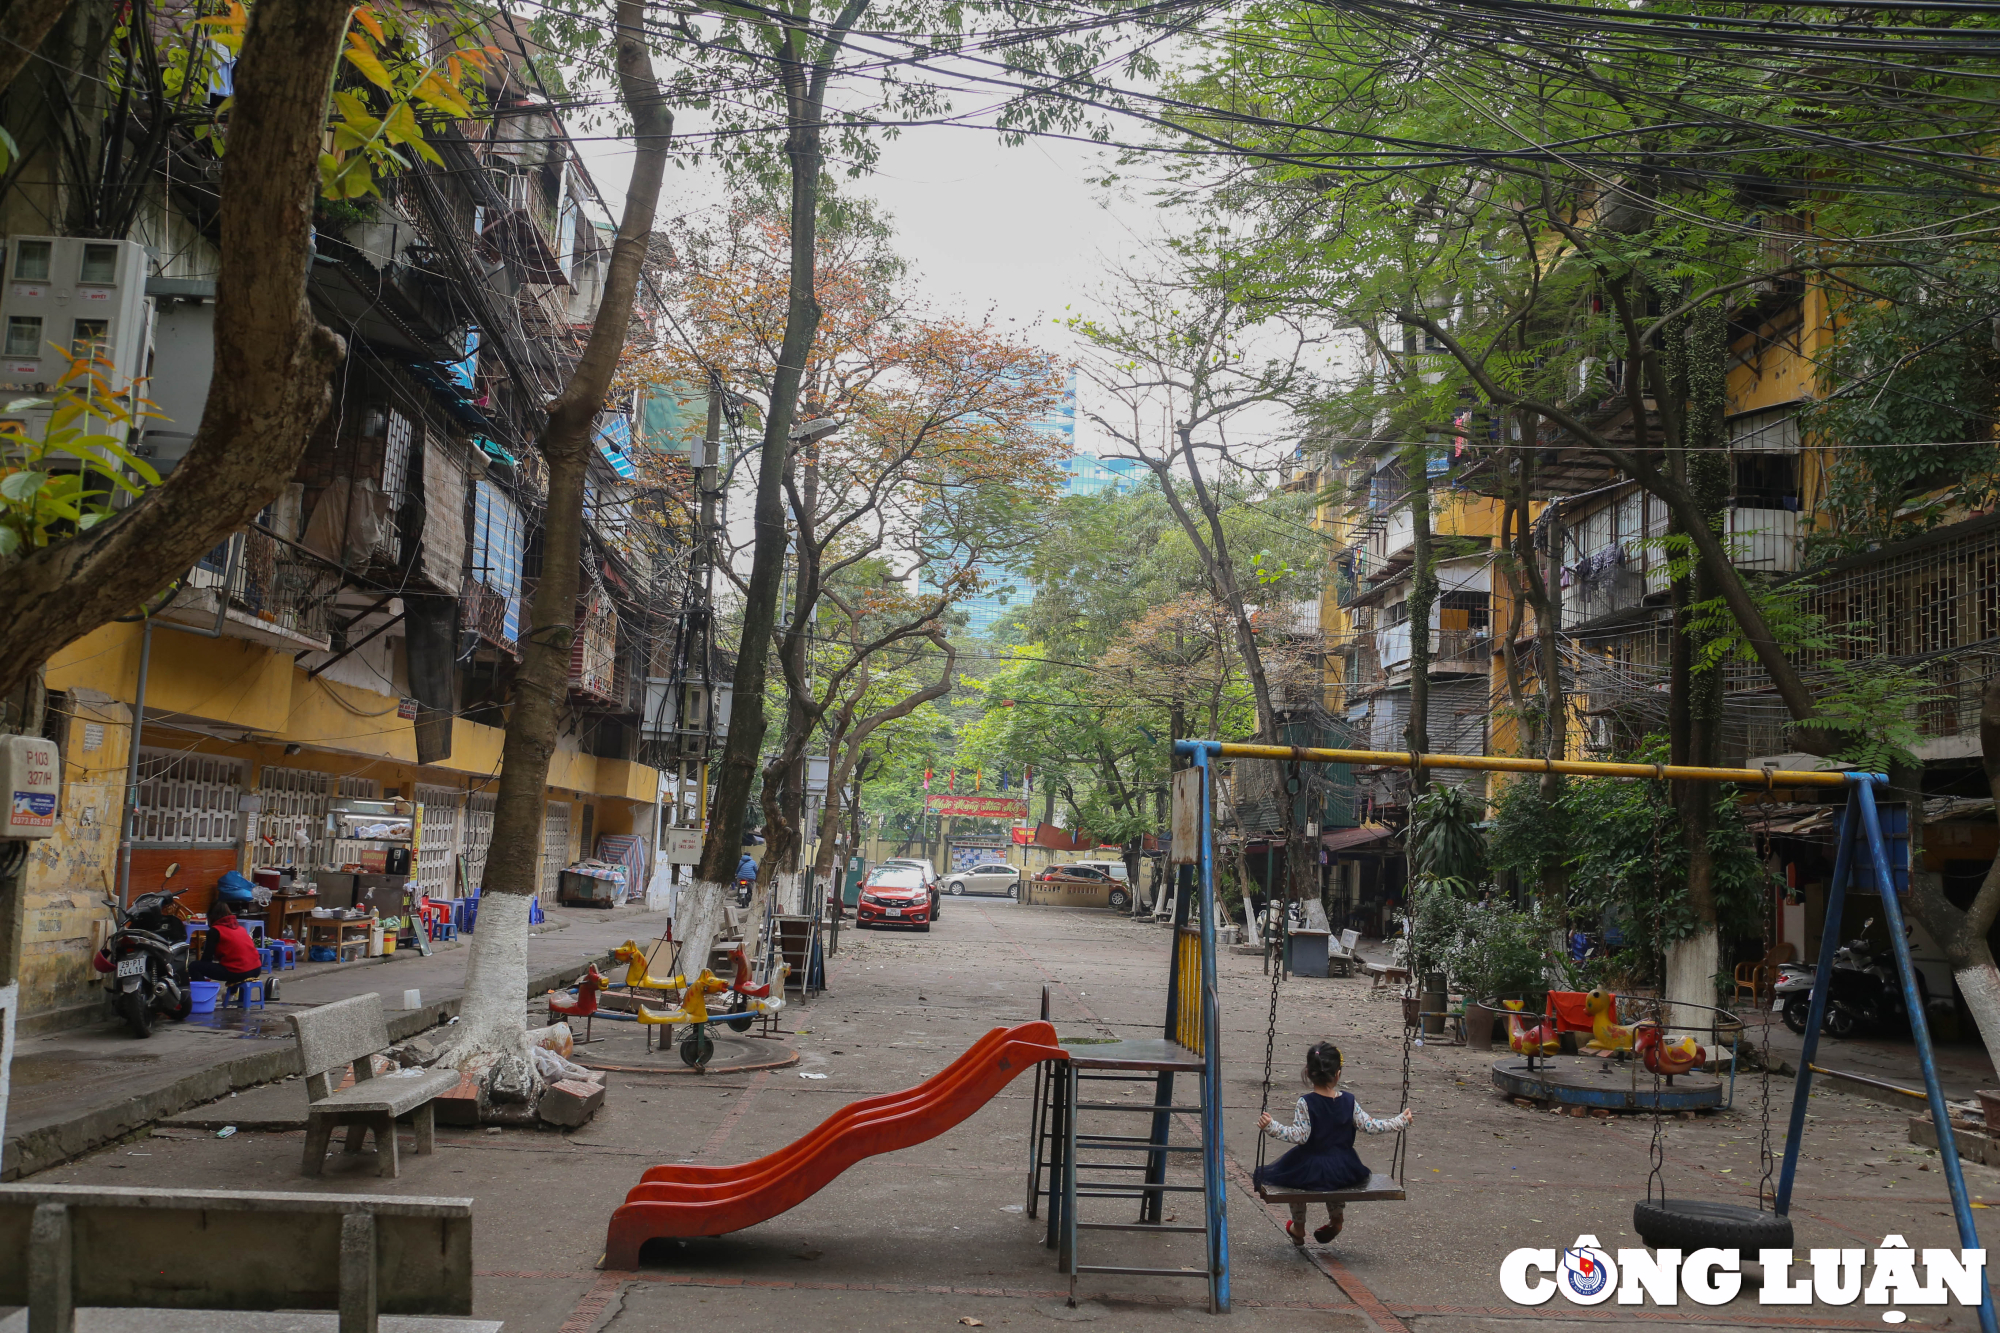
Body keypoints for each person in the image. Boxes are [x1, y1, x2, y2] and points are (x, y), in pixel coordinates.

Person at [1255, 1041, 1414, 1246]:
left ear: (1308, 1073)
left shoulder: (1306, 1102)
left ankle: (1299, 1227)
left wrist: (1271, 1126)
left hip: (1310, 1165)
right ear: (1338, 1074)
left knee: (1293, 1182)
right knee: (1335, 1180)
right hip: (1344, 1166)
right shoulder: (1349, 1101)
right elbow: (1371, 1126)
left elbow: (1299, 1136)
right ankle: (1336, 1220)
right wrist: (1400, 1121)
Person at [191, 907, 268, 998]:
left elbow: (207, 958)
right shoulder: (240, 928)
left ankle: (204, 997)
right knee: (234, 964)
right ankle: (232, 994)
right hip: (256, 969)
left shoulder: (215, 930)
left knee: (194, 966)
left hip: (239, 971)